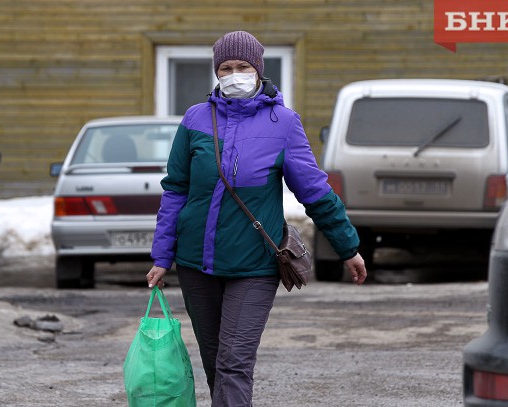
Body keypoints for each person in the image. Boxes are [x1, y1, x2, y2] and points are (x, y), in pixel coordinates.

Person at [147, 30, 367, 406]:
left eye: (243, 66)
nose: (234, 74)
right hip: (196, 263)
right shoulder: (195, 120)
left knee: (234, 363)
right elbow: (176, 191)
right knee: (215, 362)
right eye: (226, 68)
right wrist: (161, 256)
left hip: (254, 265)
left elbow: (314, 190)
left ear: (258, 70)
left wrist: (348, 246)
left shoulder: (283, 123)